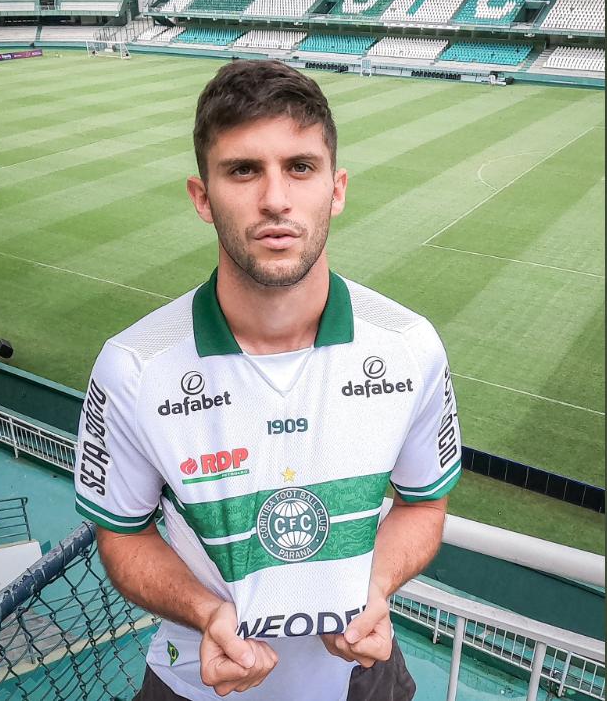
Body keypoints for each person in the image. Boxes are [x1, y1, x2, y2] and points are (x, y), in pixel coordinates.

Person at [74, 59, 462, 701]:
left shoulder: (409, 347)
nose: (275, 199)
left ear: (336, 189)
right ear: (203, 197)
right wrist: (206, 612)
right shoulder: (133, 367)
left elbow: (423, 505)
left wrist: (374, 587)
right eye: (243, 170)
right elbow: (123, 532)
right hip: (193, 684)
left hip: (364, 679)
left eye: (300, 167)